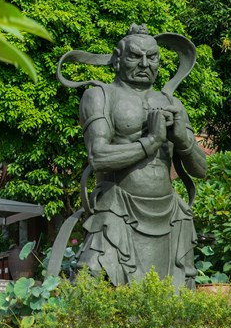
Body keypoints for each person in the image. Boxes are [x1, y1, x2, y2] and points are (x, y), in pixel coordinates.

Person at [76, 25, 207, 290]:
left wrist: (182, 138)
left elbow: (202, 168)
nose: (145, 64)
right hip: (117, 208)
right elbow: (98, 156)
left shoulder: (172, 103)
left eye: (153, 57)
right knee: (93, 290)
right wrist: (152, 142)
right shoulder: (99, 96)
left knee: (177, 300)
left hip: (170, 213)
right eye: (135, 56)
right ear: (117, 58)